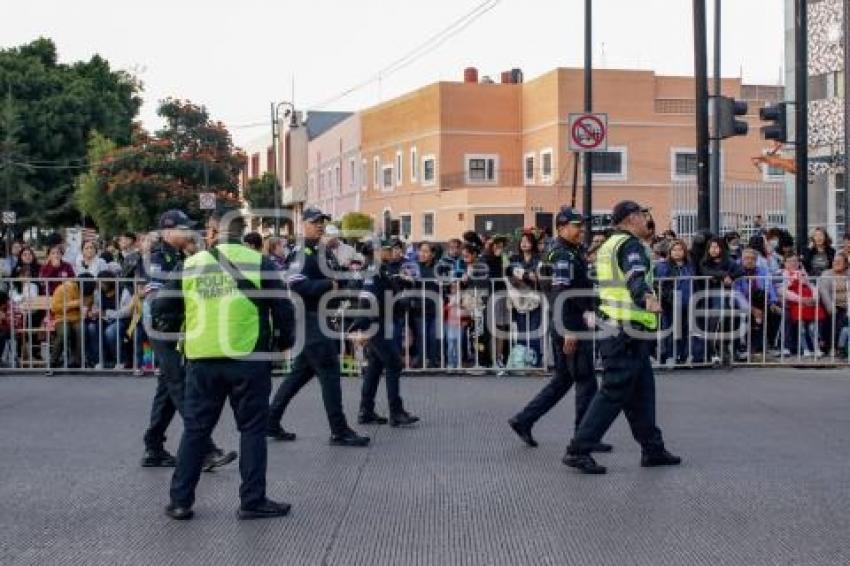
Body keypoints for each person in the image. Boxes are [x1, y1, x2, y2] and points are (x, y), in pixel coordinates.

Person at [164, 211, 295, 521]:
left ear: (212, 232)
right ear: (241, 232)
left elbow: (162, 306)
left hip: (202, 357)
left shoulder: (192, 264)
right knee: (251, 430)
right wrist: (282, 342)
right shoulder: (258, 261)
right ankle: (252, 500)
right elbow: (282, 305)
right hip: (247, 356)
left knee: (195, 429)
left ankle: (180, 501)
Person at [564, 200, 681, 474]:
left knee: (642, 390)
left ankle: (652, 448)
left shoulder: (608, 245)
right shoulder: (629, 245)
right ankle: (579, 449)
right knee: (614, 390)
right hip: (624, 330)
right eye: (643, 215)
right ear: (631, 219)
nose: (647, 220)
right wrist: (647, 297)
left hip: (623, 329)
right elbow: (635, 276)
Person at [140, 209, 237, 471]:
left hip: (174, 328)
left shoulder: (181, 257)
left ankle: (154, 446)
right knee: (180, 385)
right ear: (169, 231)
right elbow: (157, 296)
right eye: (185, 229)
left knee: (167, 390)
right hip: (162, 328)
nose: (191, 233)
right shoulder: (158, 258)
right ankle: (205, 449)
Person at [267, 207, 370, 447]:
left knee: (298, 376)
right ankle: (339, 429)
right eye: (315, 222)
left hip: (321, 318)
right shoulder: (302, 252)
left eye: (322, 221)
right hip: (312, 320)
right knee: (330, 375)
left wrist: (346, 277)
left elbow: (335, 277)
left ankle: (270, 420)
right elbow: (296, 284)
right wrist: (329, 284)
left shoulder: (321, 250)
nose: (320, 225)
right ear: (302, 224)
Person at [509, 208, 609, 451]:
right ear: (562, 227)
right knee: (586, 380)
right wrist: (569, 329)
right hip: (570, 324)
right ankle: (584, 437)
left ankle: (524, 420)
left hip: (565, 322)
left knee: (564, 379)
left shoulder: (564, 251)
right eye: (576, 226)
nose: (581, 230)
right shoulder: (562, 254)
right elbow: (560, 293)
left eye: (582, 225)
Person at [350, 240, 420, 427]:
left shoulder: (381, 269)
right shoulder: (374, 271)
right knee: (394, 363)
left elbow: (387, 291)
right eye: (386, 249)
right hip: (375, 325)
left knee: (374, 367)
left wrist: (401, 283)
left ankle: (366, 411)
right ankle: (396, 412)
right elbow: (367, 299)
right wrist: (364, 328)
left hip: (380, 323)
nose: (391, 251)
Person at [506, 231, 544, 367]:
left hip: (534, 300)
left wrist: (523, 277)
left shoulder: (538, 259)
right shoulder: (515, 259)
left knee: (533, 329)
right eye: (522, 241)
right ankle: (522, 360)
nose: (524, 243)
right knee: (521, 330)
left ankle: (534, 360)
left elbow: (538, 279)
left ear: (532, 243)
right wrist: (527, 277)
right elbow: (510, 275)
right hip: (518, 300)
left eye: (527, 241)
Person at [819, 252, 850, 354]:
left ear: (846, 264)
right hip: (830, 304)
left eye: (839, 262)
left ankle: (837, 347)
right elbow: (824, 292)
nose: (836, 263)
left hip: (846, 305)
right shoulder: (826, 274)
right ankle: (829, 346)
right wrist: (830, 307)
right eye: (834, 261)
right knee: (833, 318)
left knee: (842, 318)